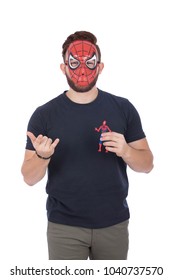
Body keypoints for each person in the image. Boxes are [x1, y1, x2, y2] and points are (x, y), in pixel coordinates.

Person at [21, 31, 154, 260]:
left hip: (114, 224)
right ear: (63, 68)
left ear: (100, 67)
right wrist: (42, 158)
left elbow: (147, 165)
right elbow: (28, 178)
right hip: (63, 226)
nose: (82, 71)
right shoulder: (44, 115)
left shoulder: (123, 108)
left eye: (90, 63)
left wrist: (126, 151)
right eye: (74, 63)